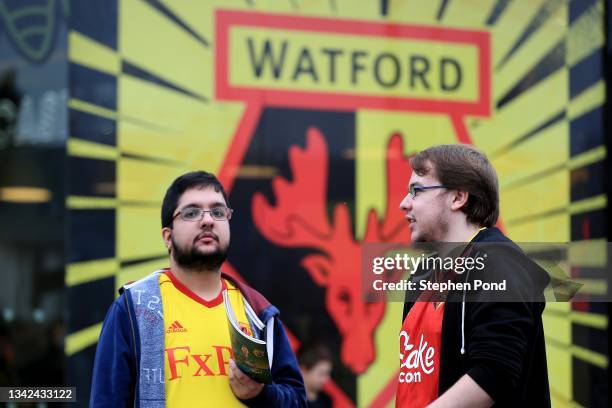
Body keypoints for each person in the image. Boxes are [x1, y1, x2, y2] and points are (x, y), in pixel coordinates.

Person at [90, 171, 306, 407]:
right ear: (167, 237)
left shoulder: (256, 311)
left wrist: (261, 394)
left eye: (218, 212)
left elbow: (297, 400)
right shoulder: (133, 309)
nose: (208, 220)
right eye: (191, 213)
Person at [397, 144, 550, 407]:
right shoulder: (423, 275)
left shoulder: (500, 263)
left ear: (458, 197)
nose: (404, 203)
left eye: (417, 190)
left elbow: (495, 373)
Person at [297, 343, 333, 408]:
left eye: (327, 373)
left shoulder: (326, 401)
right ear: (303, 370)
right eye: (321, 373)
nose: (326, 379)